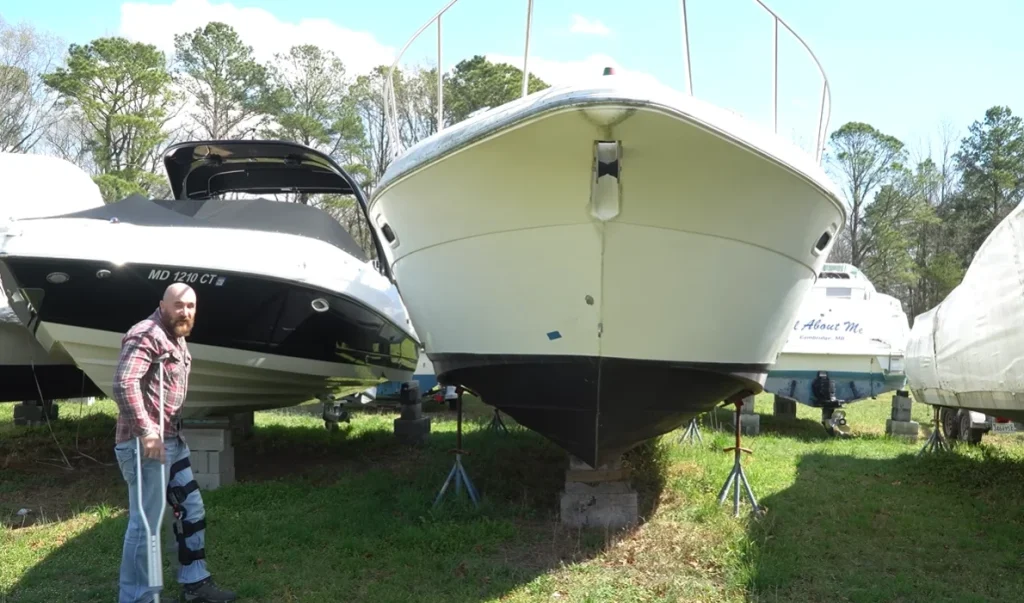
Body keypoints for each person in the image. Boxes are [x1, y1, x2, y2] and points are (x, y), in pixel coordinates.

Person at [111, 283, 237, 603]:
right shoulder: (147, 333)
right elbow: (124, 383)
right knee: (146, 523)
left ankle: (195, 583)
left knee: (190, 508)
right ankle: (137, 598)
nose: (185, 312)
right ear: (162, 305)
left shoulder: (176, 338)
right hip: (145, 444)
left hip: (172, 441)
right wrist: (147, 431)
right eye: (179, 305)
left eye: (191, 306)